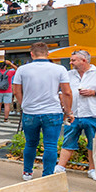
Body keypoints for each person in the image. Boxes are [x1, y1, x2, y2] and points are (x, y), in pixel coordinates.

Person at [54, 50, 96, 180]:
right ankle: (60, 167)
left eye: (73, 60)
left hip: (94, 113)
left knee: (93, 143)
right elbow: (62, 92)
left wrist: (95, 93)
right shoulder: (68, 74)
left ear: (84, 60)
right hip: (73, 114)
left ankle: (92, 169)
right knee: (68, 140)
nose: (70, 62)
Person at [12, 42, 72, 181]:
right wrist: (68, 112)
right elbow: (67, 92)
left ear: (32, 54)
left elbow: (16, 91)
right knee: (50, 144)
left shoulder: (22, 69)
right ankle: (47, 175)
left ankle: (27, 173)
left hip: (30, 112)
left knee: (30, 143)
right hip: (53, 112)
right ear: (48, 53)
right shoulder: (60, 69)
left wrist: (24, 104)